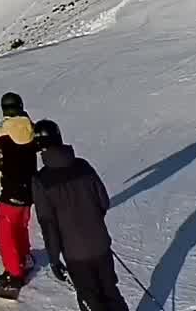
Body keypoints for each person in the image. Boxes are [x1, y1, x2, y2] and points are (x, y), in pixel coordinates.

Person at [30, 120, 131, 311]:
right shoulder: (83, 166)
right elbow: (103, 202)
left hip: (75, 254)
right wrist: (92, 221)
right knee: (110, 292)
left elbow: (48, 224)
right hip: (100, 245)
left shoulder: (41, 181)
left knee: (90, 298)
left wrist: (54, 258)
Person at [0, 92, 40, 289]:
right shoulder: (33, 130)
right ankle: (25, 259)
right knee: (21, 227)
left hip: (9, 193)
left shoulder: (0, 134)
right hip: (29, 191)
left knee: (6, 234)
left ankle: (14, 275)